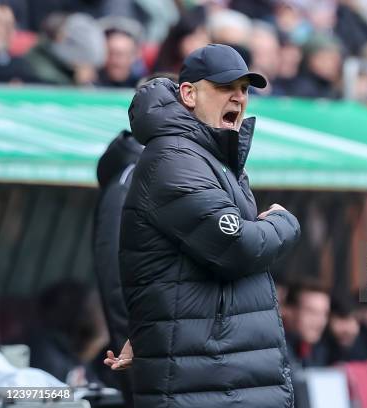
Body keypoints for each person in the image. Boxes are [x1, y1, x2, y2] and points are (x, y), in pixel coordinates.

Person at [105, 44, 301, 408]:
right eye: (226, 87)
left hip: (219, 375)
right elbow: (238, 246)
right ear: (189, 94)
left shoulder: (211, 157)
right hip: (205, 381)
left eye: (244, 89)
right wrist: (284, 223)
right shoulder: (174, 159)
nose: (239, 97)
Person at [284, 282, 331, 368]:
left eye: (324, 313)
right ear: (288, 311)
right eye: (311, 312)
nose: (320, 321)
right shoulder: (273, 351)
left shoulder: (319, 349)